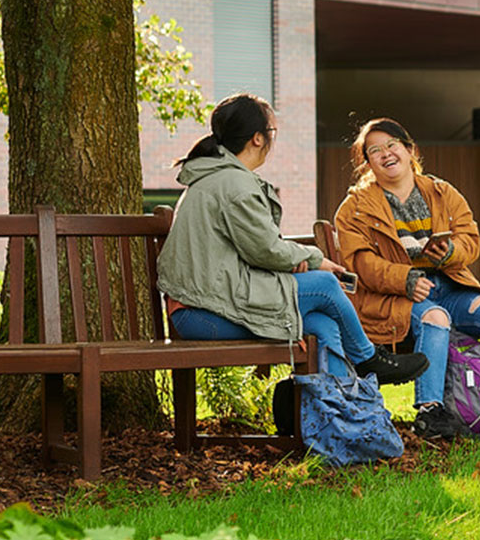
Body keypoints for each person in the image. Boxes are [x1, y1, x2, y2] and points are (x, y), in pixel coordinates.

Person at [158, 93, 428, 386]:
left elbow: (243, 252)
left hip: (207, 305)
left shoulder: (215, 177)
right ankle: (368, 359)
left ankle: (341, 408)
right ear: (258, 139)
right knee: (325, 285)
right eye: (272, 131)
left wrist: (295, 262)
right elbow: (265, 250)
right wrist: (313, 259)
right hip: (204, 313)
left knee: (320, 324)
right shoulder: (234, 184)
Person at [331, 118, 480, 440]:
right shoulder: (355, 207)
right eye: (374, 151)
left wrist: (451, 251)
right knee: (435, 316)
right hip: (393, 297)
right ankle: (430, 412)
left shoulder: (442, 192)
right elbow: (359, 262)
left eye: (391, 145)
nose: (385, 154)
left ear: (409, 150)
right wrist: (405, 279)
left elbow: (470, 238)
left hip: (449, 287)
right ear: (366, 162)